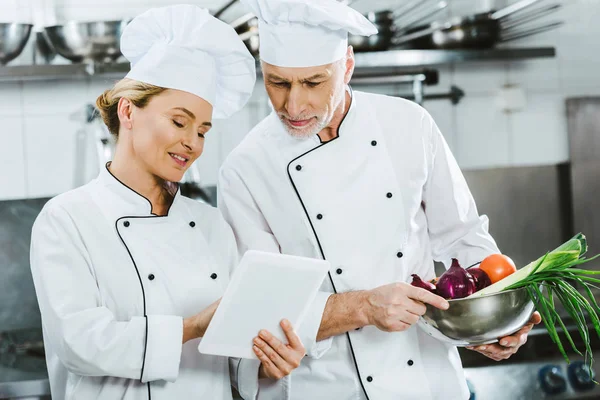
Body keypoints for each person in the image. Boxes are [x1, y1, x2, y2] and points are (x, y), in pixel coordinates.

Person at [217, 0, 541, 399]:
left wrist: (491, 321)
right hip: (324, 387)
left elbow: (464, 237)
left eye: (314, 83)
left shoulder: (408, 124)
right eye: (277, 83)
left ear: (347, 66)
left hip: (425, 381)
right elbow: (260, 308)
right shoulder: (245, 169)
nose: (294, 105)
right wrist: (363, 308)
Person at [29, 5, 305, 400]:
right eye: (179, 122)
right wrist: (191, 327)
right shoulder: (68, 219)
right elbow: (79, 343)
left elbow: (231, 361)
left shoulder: (211, 224)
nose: (193, 142)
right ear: (128, 111)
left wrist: (265, 364)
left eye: (203, 130)